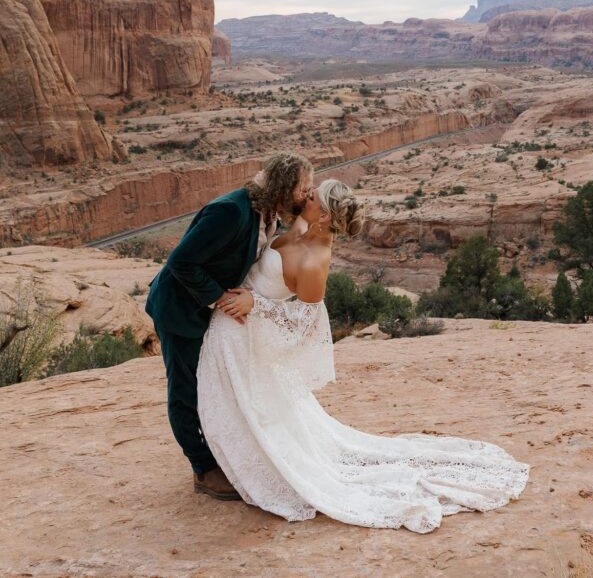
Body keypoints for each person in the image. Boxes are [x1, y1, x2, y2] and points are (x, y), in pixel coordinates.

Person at [196, 179, 529, 533]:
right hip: (233, 331)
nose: (305, 195)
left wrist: (256, 303)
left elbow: (306, 319)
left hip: (245, 328)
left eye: (312, 195)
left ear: (323, 215)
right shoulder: (302, 226)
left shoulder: (315, 259)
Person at [145, 152, 314, 500]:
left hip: (203, 311)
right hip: (179, 310)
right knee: (186, 390)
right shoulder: (231, 212)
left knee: (209, 386)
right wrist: (220, 299)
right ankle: (203, 470)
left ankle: (220, 455)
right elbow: (181, 262)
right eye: (302, 189)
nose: (305, 196)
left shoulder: (268, 214)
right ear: (283, 188)